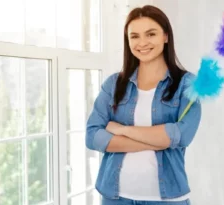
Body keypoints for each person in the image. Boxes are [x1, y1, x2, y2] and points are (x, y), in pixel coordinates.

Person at [85, 5, 201, 205]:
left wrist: (122, 129)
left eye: (151, 34)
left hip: (167, 199)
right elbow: (92, 136)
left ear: (165, 36)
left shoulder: (187, 84)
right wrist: (157, 140)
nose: (142, 43)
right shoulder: (113, 84)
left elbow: (181, 136)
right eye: (135, 36)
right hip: (115, 197)